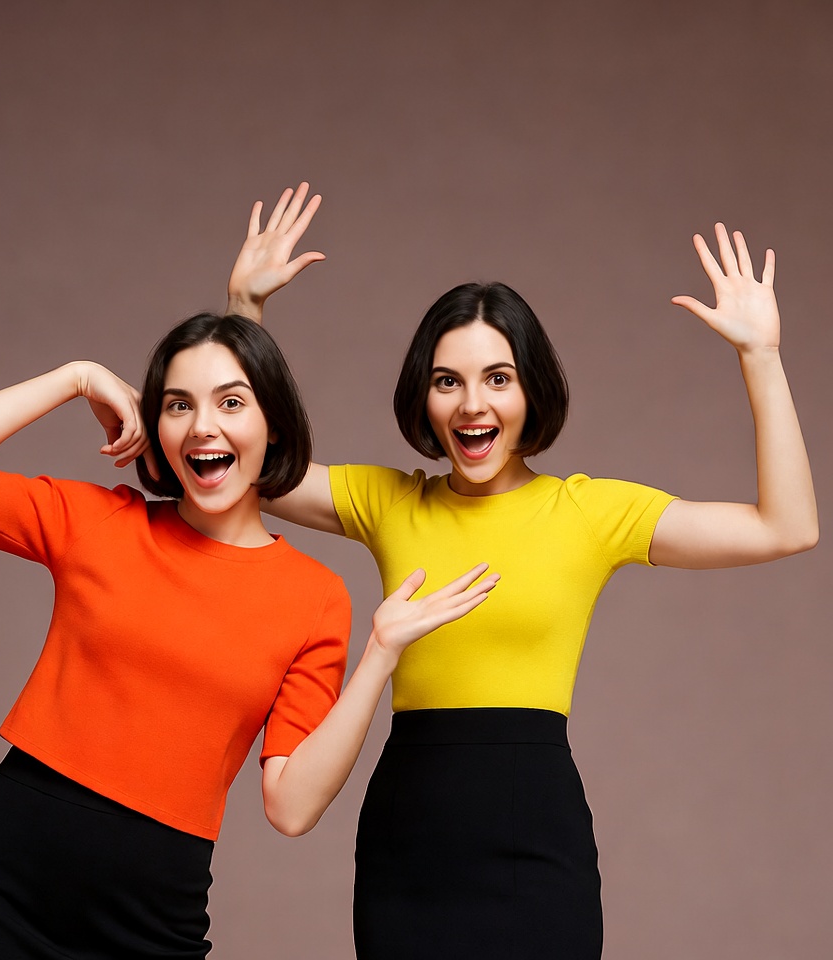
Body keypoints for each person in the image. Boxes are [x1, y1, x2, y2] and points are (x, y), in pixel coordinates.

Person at [225, 183, 819, 959]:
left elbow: (788, 526)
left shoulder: (589, 512)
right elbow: (242, 464)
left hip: (538, 844)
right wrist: (244, 308)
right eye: (448, 381)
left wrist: (761, 357)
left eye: (497, 378)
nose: (472, 404)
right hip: (410, 845)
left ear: (531, 390)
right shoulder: (390, 501)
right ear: (424, 397)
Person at [0, 311, 498, 959]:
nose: (203, 425)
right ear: (158, 427)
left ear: (274, 425)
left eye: (231, 402)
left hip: (153, 917)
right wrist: (76, 377)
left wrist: (379, 656)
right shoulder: (99, 522)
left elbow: (292, 809)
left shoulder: (315, 597)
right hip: (4, 889)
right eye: (179, 405)